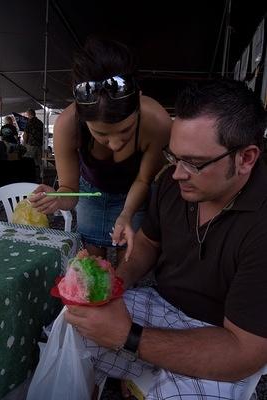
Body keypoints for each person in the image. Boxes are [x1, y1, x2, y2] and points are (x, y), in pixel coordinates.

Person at [64, 79, 267, 399]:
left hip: (223, 338)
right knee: (73, 322)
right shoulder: (174, 185)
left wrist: (128, 336)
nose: (177, 174)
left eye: (195, 163)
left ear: (246, 158)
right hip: (163, 306)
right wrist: (114, 281)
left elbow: (245, 352)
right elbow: (147, 243)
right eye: (174, 157)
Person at [30, 37, 172, 262]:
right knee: (94, 265)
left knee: (130, 260)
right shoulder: (67, 126)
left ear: (139, 100)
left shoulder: (158, 122)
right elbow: (70, 189)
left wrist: (126, 214)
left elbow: (144, 180)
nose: (115, 144)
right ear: (82, 116)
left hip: (134, 192)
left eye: (126, 131)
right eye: (102, 134)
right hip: (90, 192)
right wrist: (57, 198)